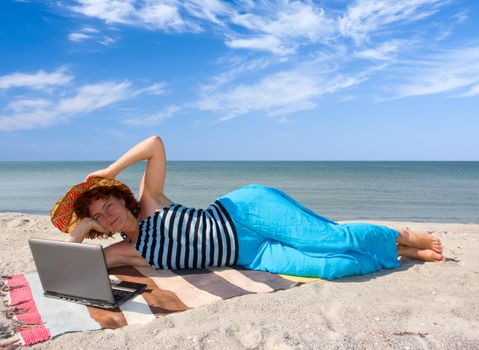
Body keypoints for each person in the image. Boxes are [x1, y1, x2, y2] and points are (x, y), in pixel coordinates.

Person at [51, 136, 444, 280]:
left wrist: (109, 170)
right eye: (99, 216)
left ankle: (402, 235)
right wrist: (80, 229)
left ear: (122, 197)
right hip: (249, 253)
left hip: (245, 211)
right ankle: (398, 253)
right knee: (332, 266)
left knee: (328, 238)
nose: (108, 215)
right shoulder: (128, 251)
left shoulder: (150, 201)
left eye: (108, 204)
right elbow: (74, 270)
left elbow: (154, 143)